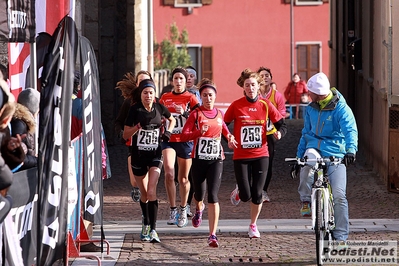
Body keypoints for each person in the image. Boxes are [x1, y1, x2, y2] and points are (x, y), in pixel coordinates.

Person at [295, 72, 357, 243]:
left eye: (310, 93)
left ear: (318, 94)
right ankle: (306, 200)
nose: (308, 95)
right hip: (314, 147)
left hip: (336, 151)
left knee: (339, 195)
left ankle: (341, 237)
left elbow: (350, 130)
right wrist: (298, 157)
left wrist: (351, 150)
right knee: (307, 164)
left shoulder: (341, 108)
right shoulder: (310, 109)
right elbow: (305, 133)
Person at [225, 69, 286, 238]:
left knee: (257, 193)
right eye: (247, 85)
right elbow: (222, 125)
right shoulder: (236, 105)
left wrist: (280, 133)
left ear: (259, 86)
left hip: (261, 154)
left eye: (253, 85)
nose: (250, 88)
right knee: (246, 195)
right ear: (243, 87)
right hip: (241, 156)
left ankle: (253, 225)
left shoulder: (266, 104)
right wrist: (229, 138)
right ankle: (239, 191)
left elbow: (282, 123)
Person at [181, 78, 237, 247]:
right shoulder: (195, 114)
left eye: (210, 95)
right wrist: (198, 132)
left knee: (213, 196)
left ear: (215, 96)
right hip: (198, 160)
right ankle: (199, 208)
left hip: (215, 160)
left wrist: (230, 139)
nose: (208, 98)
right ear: (200, 97)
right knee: (199, 195)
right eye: (204, 95)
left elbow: (226, 131)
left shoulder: (219, 114)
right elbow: (184, 136)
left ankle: (212, 234)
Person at [123, 79, 176, 243]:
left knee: (152, 191)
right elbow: (125, 135)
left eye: (151, 92)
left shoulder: (159, 107)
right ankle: (145, 221)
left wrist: (168, 132)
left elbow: (172, 119)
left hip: (155, 154)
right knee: (144, 194)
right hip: (138, 156)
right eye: (145, 92)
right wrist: (138, 127)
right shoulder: (134, 110)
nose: (148, 95)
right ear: (141, 94)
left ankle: (153, 229)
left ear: (154, 95)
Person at [159, 67, 200, 228]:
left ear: (185, 81)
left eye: (181, 79)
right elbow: (158, 115)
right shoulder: (165, 98)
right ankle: (173, 209)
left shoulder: (191, 98)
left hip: (185, 140)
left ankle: (183, 208)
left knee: (183, 179)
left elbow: (199, 118)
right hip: (169, 140)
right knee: (169, 173)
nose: (178, 81)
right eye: (175, 78)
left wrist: (185, 113)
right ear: (172, 81)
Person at [115, 71, 153, 202]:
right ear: (136, 84)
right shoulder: (129, 103)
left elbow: (167, 119)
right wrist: (121, 133)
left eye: (146, 81)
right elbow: (119, 121)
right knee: (135, 181)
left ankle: (146, 209)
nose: (144, 85)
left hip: (152, 146)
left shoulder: (157, 103)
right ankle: (139, 190)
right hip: (133, 145)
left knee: (148, 184)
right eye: (141, 82)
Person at [257, 67, 287, 202]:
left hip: (270, 133)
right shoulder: (253, 94)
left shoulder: (277, 96)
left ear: (271, 78)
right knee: (253, 161)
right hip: (255, 133)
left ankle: (263, 190)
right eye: (262, 75)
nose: (265, 77)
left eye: (267, 75)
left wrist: (277, 129)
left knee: (267, 162)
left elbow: (282, 114)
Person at [10, 88, 41, 171]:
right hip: (17, 177)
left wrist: (33, 158)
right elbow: (17, 156)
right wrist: (38, 161)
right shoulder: (19, 123)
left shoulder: (22, 121)